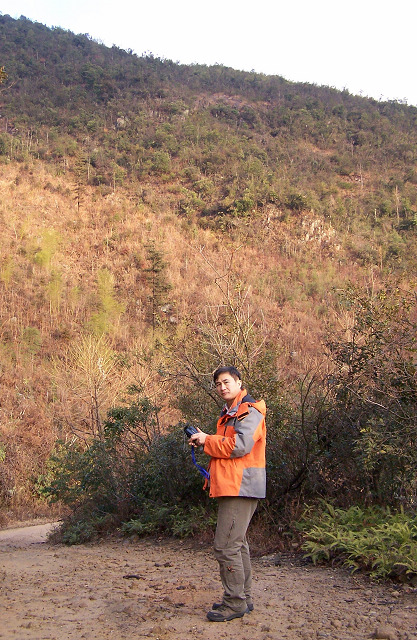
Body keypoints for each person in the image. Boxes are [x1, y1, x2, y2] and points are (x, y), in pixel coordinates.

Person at [189, 365, 267, 622]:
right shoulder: (230, 414)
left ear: (238, 382)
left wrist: (207, 440)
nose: (222, 387)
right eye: (218, 384)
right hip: (234, 485)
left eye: (226, 382)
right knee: (238, 543)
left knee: (225, 546)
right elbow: (227, 448)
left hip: (241, 487)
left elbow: (240, 446)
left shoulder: (249, 411)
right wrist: (205, 441)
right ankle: (243, 598)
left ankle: (234, 603)